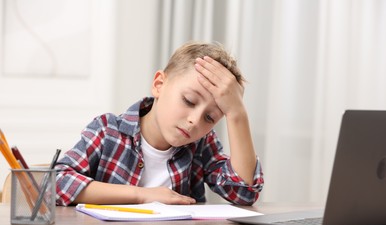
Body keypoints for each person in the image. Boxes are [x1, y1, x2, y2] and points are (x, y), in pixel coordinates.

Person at [55, 41, 264, 206]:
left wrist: (237, 113)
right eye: (189, 101)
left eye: (210, 118)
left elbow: (243, 193)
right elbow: (55, 182)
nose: (194, 120)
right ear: (159, 85)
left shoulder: (201, 144)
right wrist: (141, 195)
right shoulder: (107, 131)